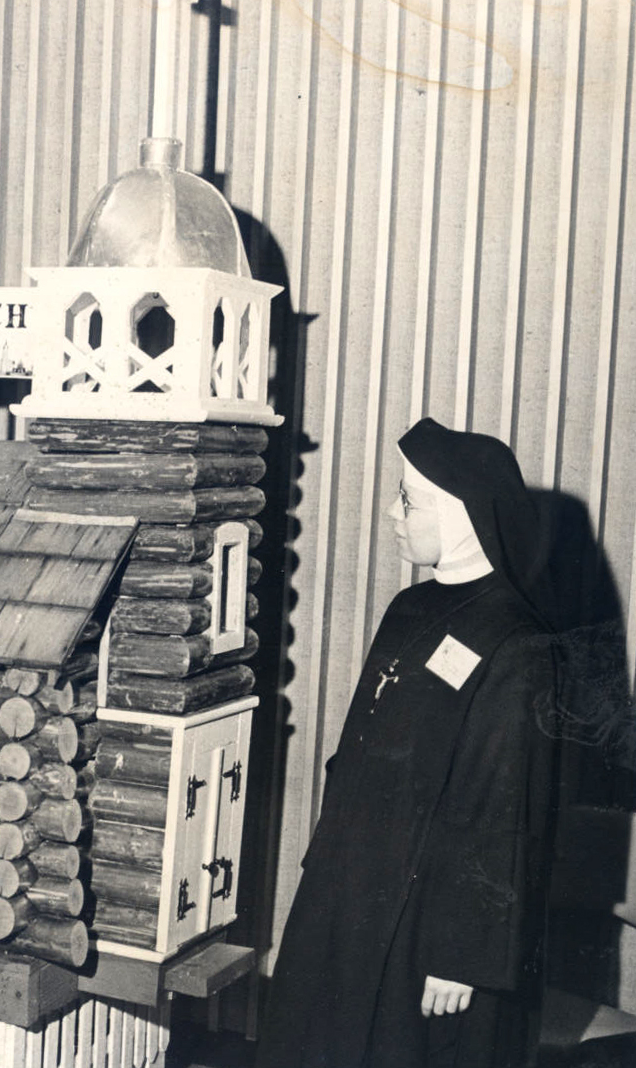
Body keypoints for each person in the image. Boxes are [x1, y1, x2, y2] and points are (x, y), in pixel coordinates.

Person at [257, 418, 559, 1068]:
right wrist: (316, 897)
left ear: (460, 516)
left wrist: (464, 955)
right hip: (349, 889)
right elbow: (356, 759)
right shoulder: (408, 608)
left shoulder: (518, 642)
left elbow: (503, 813)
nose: (392, 513)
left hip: (432, 923)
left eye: (408, 499)